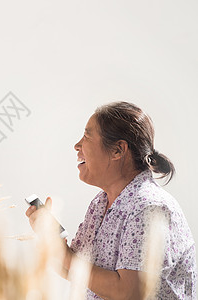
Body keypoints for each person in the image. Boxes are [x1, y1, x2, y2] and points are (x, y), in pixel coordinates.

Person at [26, 101, 197, 299]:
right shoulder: (100, 203)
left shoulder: (149, 207)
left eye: (87, 136)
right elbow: (75, 272)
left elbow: (129, 293)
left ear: (118, 150)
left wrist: (65, 255)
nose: (77, 145)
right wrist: (49, 239)